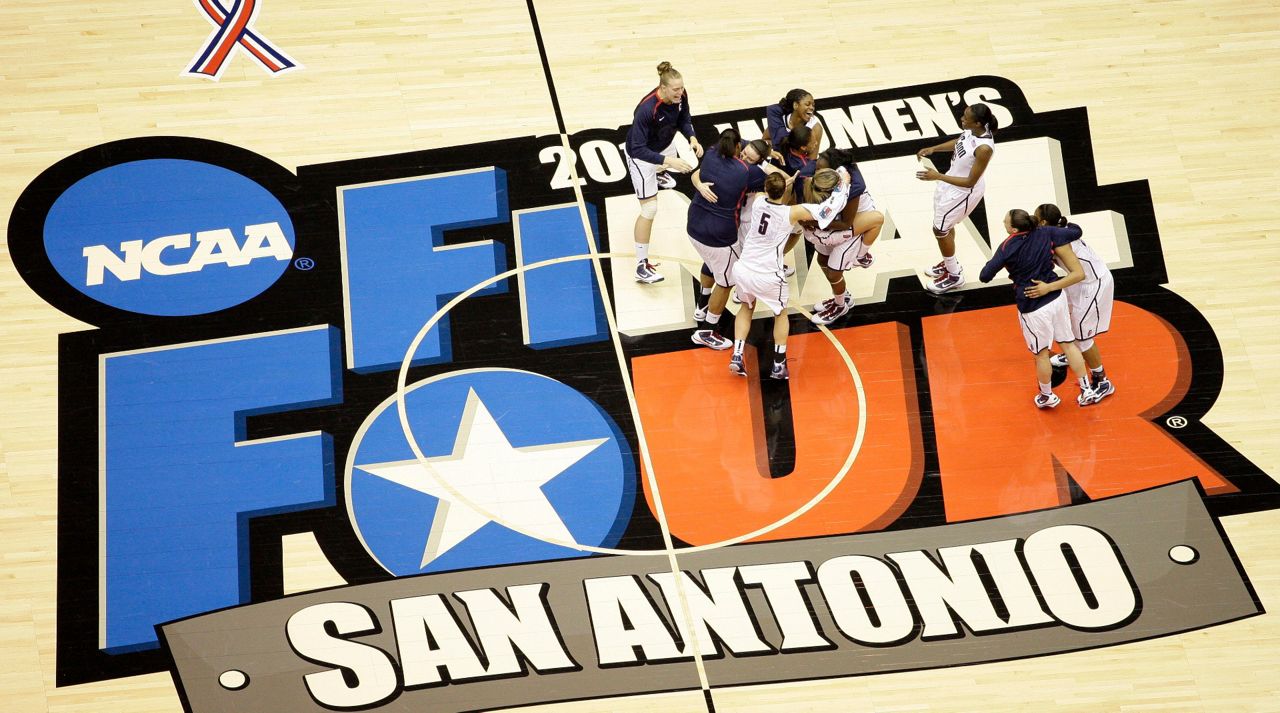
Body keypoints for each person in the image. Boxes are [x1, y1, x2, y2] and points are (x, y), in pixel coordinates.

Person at [730, 169, 852, 380]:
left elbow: (770, 187)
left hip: (743, 268)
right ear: (784, 189)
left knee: (746, 307)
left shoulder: (758, 202)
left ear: (766, 189)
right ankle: (778, 364)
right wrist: (843, 185)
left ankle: (737, 355)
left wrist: (780, 182)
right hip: (768, 273)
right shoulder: (791, 213)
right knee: (780, 314)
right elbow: (826, 211)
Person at [979, 209, 1100, 408]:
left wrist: (998, 261)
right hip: (1056, 295)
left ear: (1014, 229)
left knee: (1042, 354)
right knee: (1068, 344)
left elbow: (985, 276)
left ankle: (1047, 396)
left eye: (1005, 221)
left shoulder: (1006, 247)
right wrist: (1064, 223)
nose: (1003, 222)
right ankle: (1087, 389)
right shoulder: (1046, 232)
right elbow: (1076, 231)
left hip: (1032, 304)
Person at [687, 132, 782, 349]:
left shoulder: (711, 154)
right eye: (745, 153)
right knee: (727, 281)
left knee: (712, 263)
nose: (746, 157)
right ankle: (706, 331)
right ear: (739, 147)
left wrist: (759, 148)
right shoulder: (747, 172)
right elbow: (781, 179)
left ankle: (702, 305)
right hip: (720, 235)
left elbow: (697, 173)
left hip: (694, 226)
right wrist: (765, 161)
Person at [625, 60, 704, 284]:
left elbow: (684, 119)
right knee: (649, 209)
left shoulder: (681, 96)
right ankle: (641, 266)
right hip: (641, 157)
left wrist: (692, 137)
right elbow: (639, 149)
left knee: (667, 162)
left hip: (663, 143)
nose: (681, 92)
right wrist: (671, 161)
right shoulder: (646, 109)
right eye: (676, 89)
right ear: (663, 88)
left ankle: (660, 171)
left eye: (682, 88)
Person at [1030, 204, 1117, 401]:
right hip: (1079, 282)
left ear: (1043, 222)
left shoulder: (1059, 241)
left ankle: (1103, 381)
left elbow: (1079, 274)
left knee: (1083, 335)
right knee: (1067, 322)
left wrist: (1049, 287)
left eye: (1036, 217)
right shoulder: (1064, 229)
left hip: (1092, 284)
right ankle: (1074, 354)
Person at [915, 104, 998, 294]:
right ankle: (949, 262)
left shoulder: (984, 148)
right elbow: (959, 142)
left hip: (963, 192)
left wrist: (938, 176)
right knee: (945, 226)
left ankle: (954, 276)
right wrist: (934, 149)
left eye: (966, 117)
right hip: (951, 181)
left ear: (977, 122)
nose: (962, 118)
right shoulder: (972, 131)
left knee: (940, 229)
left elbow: (970, 182)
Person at [804, 148, 884, 325]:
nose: (817, 172)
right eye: (817, 169)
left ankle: (840, 306)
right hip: (837, 218)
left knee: (834, 271)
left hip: (855, 221)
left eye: (820, 170)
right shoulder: (827, 169)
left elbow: (845, 223)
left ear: (835, 170)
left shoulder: (853, 187)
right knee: (822, 259)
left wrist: (815, 223)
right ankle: (842, 296)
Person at [764, 89, 823, 158]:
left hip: (799, 166)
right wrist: (777, 147)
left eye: (813, 105)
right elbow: (765, 140)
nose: (812, 108)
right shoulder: (781, 120)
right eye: (807, 104)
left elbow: (812, 159)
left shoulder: (815, 127)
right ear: (795, 105)